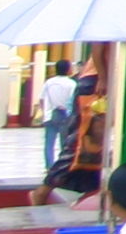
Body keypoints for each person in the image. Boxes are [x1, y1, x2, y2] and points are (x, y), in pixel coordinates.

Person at [34, 71, 108, 209]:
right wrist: (103, 78)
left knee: (95, 151)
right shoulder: (83, 81)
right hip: (96, 86)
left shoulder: (53, 83)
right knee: (80, 145)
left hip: (99, 86)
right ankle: (43, 190)